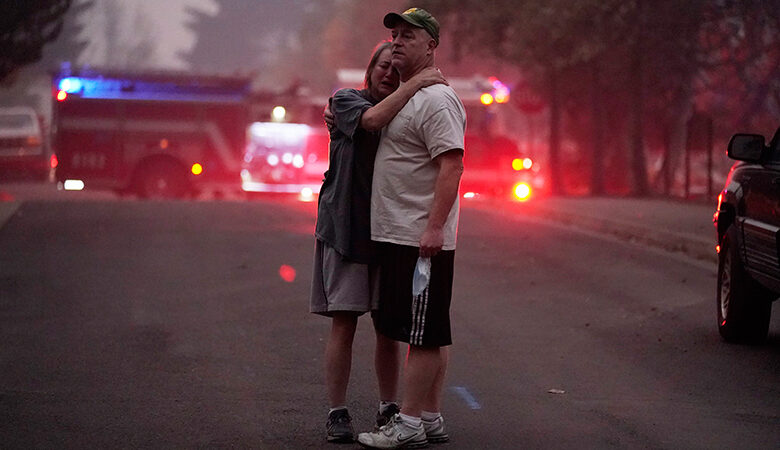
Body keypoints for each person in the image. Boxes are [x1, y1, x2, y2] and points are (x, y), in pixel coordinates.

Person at [310, 40, 447, 443]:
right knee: (344, 322)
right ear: (369, 71)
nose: (389, 73)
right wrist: (417, 81)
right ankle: (337, 411)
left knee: (387, 329)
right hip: (345, 231)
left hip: (390, 234)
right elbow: (371, 120)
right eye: (383, 66)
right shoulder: (347, 101)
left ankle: (389, 406)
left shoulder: (406, 111)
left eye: (396, 68)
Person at [356, 8, 466, 449]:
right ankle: (431, 417)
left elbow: (452, 165)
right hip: (395, 233)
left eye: (409, 36)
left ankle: (409, 423)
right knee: (421, 328)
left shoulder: (438, 100)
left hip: (418, 237)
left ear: (431, 46)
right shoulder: (408, 95)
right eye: (394, 35)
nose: (398, 42)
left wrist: (434, 228)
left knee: (423, 333)